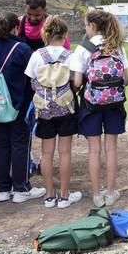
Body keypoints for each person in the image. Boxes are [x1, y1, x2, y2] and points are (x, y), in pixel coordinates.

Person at [70, 10, 128, 208]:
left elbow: (77, 83)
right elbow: (126, 80)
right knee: (111, 149)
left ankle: (97, 195)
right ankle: (111, 192)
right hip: (114, 104)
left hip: (91, 105)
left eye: (86, 25)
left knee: (93, 150)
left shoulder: (83, 49)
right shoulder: (117, 47)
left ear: (93, 26)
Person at [24, 16, 81, 208]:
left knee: (46, 153)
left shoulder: (37, 55)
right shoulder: (70, 56)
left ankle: (49, 195)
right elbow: (76, 83)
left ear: (45, 34)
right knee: (65, 152)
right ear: (65, 34)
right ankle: (64, 196)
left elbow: (30, 81)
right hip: (66, 108)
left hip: (45, 110)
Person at [0, 13, 44, 203]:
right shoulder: (21, 48)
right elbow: (35, 74)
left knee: (2, 144)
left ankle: (3, 189)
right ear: (15, 27)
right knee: (20, 143)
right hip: (19, 104)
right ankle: (21, 188)